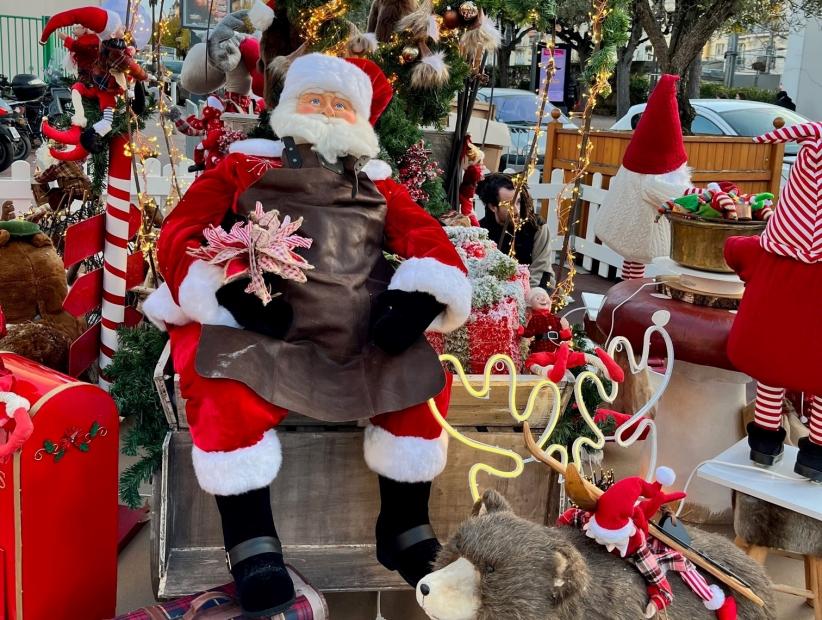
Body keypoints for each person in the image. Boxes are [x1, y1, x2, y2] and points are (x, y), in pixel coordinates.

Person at [144, 54, 472, 616]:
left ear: (359, 119)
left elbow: (428, 239)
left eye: (339, 104)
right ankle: (253, 548)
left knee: (416, 382)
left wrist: (421, 296)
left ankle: (406, 527)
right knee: (224, 386)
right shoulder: (244, 166)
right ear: (291, 106)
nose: (325, 112)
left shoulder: (378, 185)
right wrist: (224, 288)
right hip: (269, 318)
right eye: (315, 100)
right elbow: (182, 228)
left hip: (357, 317)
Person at [476, 173, 554, 289]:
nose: (517, 210)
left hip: (533, 288)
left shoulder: (536, 226)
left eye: (518, 202)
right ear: (493, 206)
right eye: (509, 204)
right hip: (496, 290)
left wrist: (527, 297)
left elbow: (540, 269)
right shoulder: (481, 231)